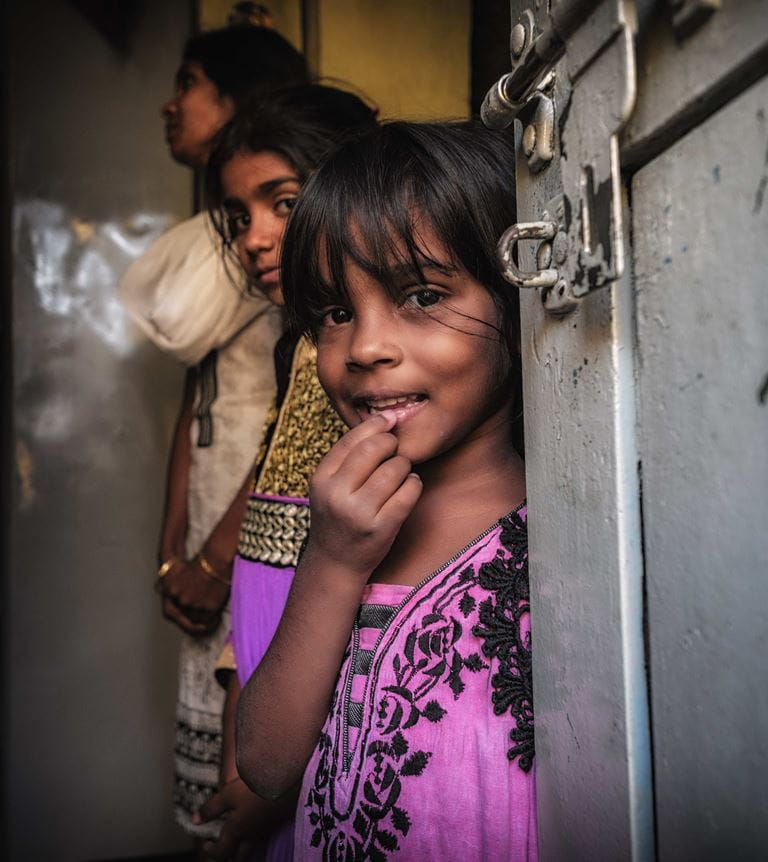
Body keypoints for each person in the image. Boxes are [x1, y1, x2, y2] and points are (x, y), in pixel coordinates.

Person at [238, 121, 536, 860]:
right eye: (336, 314)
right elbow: (266, 765)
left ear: (513, 300)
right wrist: (333, 561)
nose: (366, 348)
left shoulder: (563, 533)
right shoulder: (347, 526)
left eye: (422, 295)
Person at [118, 23, 309, 840]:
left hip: (262, 528)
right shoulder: (226, 242)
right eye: (241, 214)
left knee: (255, 735)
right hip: (214, 524)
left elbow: (288, 435)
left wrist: (210, 559)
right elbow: (195, 398)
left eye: (189, 81)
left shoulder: (291, 259)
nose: (171, 104)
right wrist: (175, 551)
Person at [185, 84, 377, 861]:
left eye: (283, 203)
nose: (255, 239)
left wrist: (269, 776)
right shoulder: (297, 350)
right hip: (267, 697)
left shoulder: (368, 369)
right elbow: (264, 561)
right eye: (240, 217)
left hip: (318, 721)